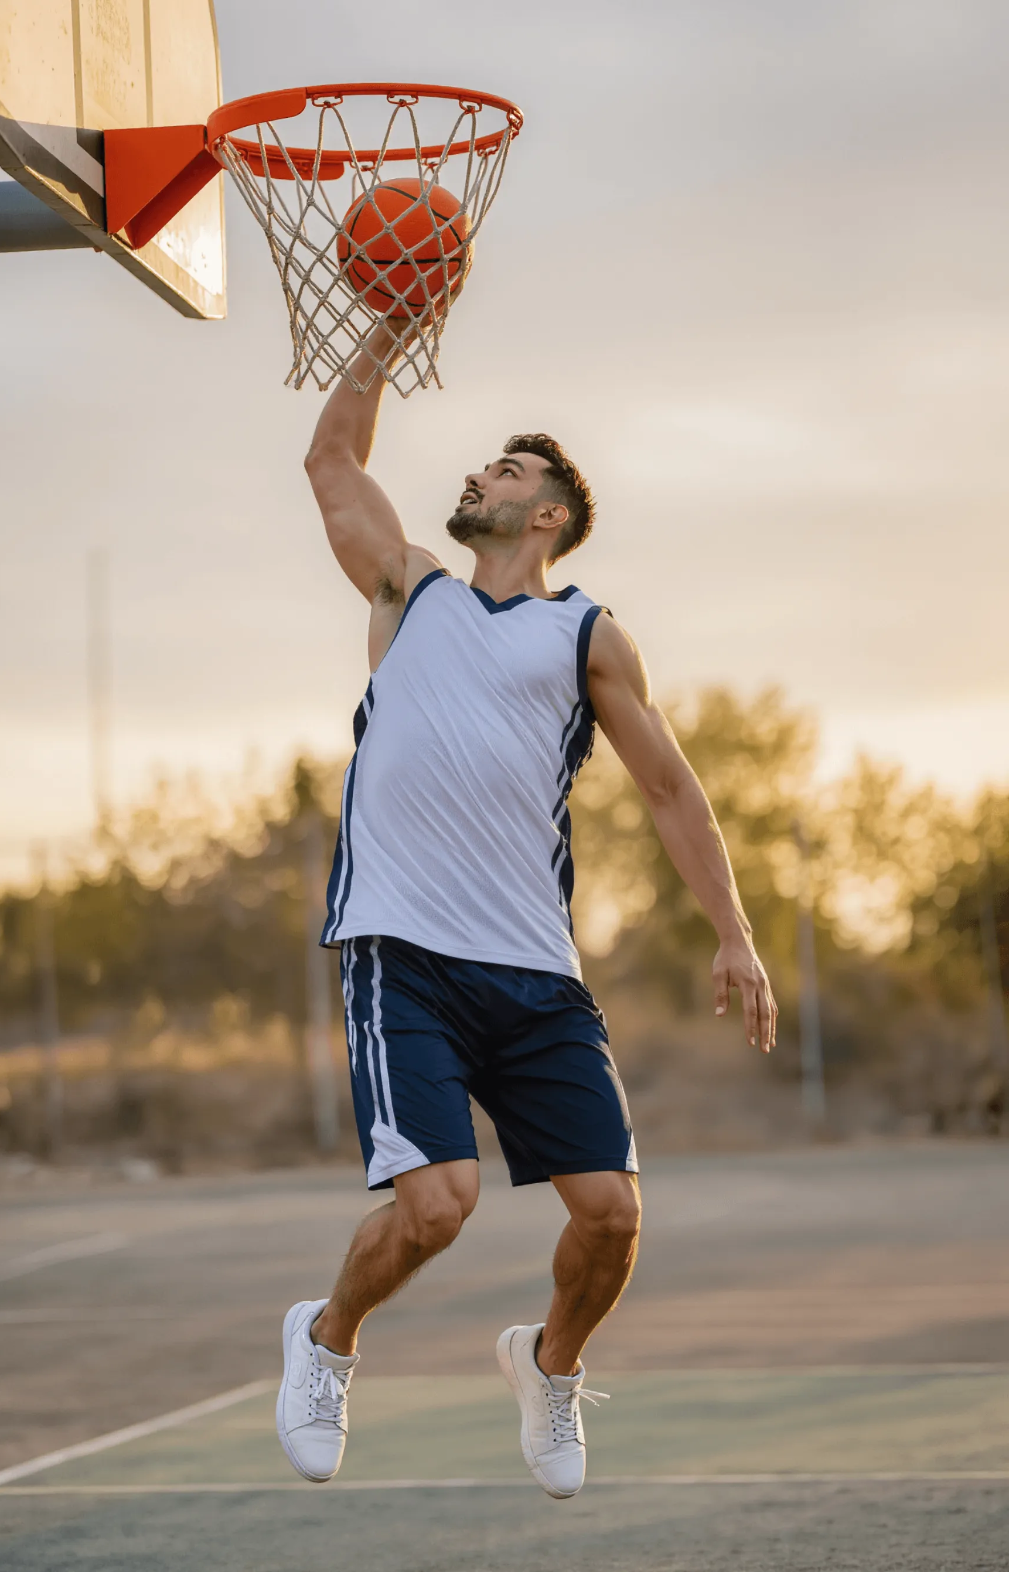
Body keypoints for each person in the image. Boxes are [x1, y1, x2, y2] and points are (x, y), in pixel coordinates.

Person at [276, 321, 777, 1499]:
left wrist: (736, 931)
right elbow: (331, 466)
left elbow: (670, 787)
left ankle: (549, 1366)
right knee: (438, 1203)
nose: (479, 478)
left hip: (534, 973)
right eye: (484, 466)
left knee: (611, 1216)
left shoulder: (585, 633)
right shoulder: (410, 589)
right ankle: (326, 1338)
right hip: (401, 952)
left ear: (548, 515)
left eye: (507, 472)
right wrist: (388, 328)